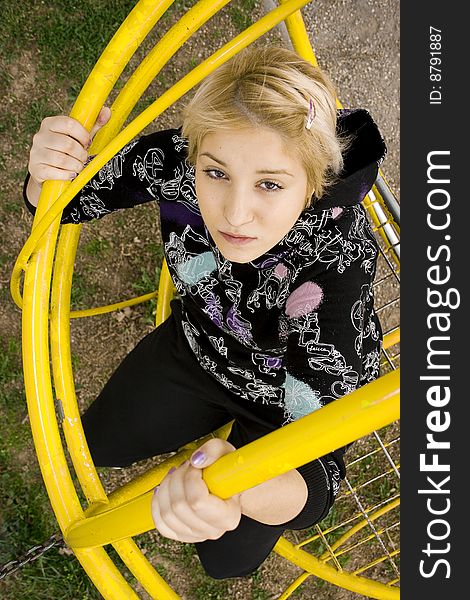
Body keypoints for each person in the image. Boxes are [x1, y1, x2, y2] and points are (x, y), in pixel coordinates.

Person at [24, 46, 386, 579]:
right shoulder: (179, 161)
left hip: (282, 410)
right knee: (96, 442)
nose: (235, 213)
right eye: (216, 174)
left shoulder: (336, 269)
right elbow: (68, 200)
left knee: (224, 560)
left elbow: (318, 473)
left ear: (313, 182)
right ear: (195, 154)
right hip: (198, 347)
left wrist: (240, 479)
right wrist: (48, 173)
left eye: (269, 183)